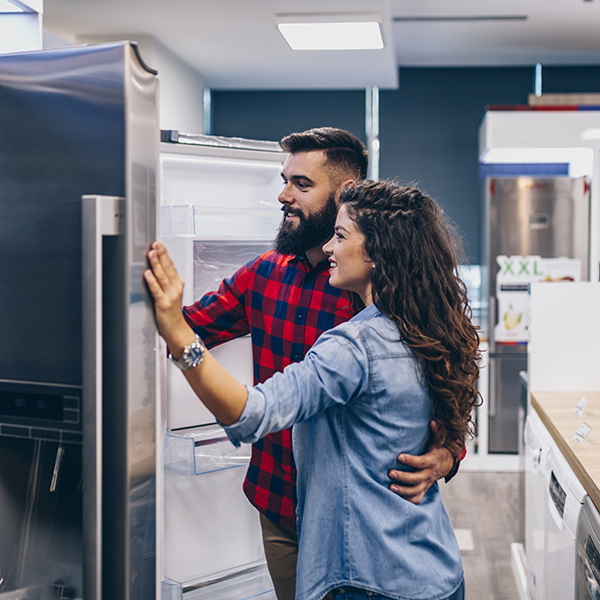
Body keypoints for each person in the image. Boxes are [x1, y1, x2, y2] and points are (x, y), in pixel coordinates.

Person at [144, 179, 481, 600]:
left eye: (340, 237)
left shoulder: (355, 345)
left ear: (378, 252)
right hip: (431, 569)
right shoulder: (428, 324)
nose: (329, 248)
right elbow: (443, 401)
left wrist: (177, 332)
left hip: (363, 579)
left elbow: (252, 414)